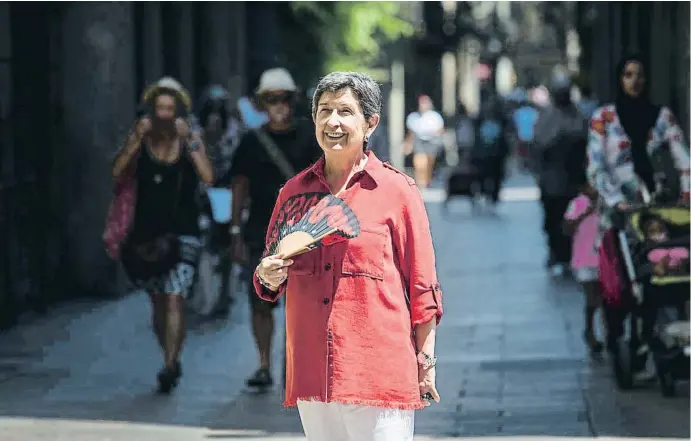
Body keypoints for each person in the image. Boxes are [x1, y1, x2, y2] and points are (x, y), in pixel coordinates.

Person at [254, 71, 443, 441]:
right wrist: (268, 274)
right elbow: (267, 277)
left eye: (345, 111)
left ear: (370, 122)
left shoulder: (397, 191)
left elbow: (424, 287)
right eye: (324, 111)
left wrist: (426, 361)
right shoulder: (293, 194)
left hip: (379, 372)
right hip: (314, 373)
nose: (333, 122)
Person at [111, 77, 214, 393]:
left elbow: (208, 177)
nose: (165, 115)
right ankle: (168, 353)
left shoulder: (190, 140)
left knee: (175, 298)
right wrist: (134, 139)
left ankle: (170, 364)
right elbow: (117, 174)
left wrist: (192, 143)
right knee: (157, 301)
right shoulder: (141, 141)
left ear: (180, 112)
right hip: (146, 235)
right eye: (160, 109)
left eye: (171, 109)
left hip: (184, 233)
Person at [587, 54, 690, 360]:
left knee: (658, 272)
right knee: (618, 280)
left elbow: (682, 157)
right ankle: (618, 336)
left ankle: (648, 335)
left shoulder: (662, 117)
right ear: (620, 79)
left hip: (655, 211)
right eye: (628, 75)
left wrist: (687, 191)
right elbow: (596, 166)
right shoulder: (603, 119)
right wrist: (614, 198)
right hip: (616, 212)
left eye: (640, 75)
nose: (635, 81)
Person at [226, 67, 321, 389]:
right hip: (260, 233)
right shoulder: (252, 141)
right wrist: (235, 231)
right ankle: (265, 364)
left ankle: (295, 364)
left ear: (292, 101)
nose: (278, 105)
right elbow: (239, 185)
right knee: (260, 301)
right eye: (271, 100)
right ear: (262, 104)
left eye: (283, 99)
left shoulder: (311, 137)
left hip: (303, 235)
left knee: (300, 304)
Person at [533, 74, 588, 275]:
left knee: (574, 219)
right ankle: (557, 253)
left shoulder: (578, 115)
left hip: (574, 181)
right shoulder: (547, 116)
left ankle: (571, 254)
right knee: (553, 220)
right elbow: (541, 144)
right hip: (552, 181)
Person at [563, 176, 603, 354]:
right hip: (584, 258)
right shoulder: (578, 203)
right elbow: (567, 227)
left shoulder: (607, 202)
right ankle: (590, 330)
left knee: (607, 298)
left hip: (605, 258)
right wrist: (585, 213)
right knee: (592, 298)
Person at [472, 100, 509, 207]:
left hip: (497, 155)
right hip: (484, 155)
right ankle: (484, 193)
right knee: (483, 175)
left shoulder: (502, 122)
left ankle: (494, 196)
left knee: (496, 176)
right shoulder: (480, 122)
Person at [405, 95, 445, 188]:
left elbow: (440, 130)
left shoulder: (435, 117)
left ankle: (427, 180)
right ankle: (420, 183)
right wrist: (408, 144)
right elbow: (411, 133)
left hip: (431, 141)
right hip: (419, 141)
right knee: (419, 163)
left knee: (429, 164)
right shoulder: (413, 117)